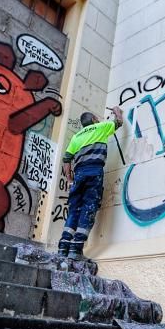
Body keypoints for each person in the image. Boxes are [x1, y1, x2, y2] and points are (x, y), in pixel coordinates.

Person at [58, 106, 123, 258]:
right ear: (93, 120)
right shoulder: (101, 127)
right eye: (96, 118)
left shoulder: (76, 137)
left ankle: (63, 247)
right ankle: (76, 250)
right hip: (94, 172)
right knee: (89, 207)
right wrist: (117, 111)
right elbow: (119, 122)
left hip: (79, 174)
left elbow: (67, 159)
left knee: (75, 208)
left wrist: (69, 179)